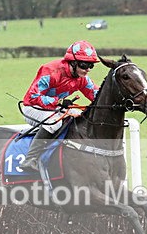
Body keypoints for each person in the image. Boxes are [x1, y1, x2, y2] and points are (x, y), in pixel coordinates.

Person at [19, 40, 100, 171]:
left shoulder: (82, 78)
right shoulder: (51, 71)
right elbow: (33, 97)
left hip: (53, 108)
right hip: (32, 108)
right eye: (85, 65)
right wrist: (59, 102)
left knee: (80, 117)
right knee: (54, 123)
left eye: (91, 66)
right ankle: (30, 159)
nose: (88, 69)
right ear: (73, 62)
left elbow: (96, 95)